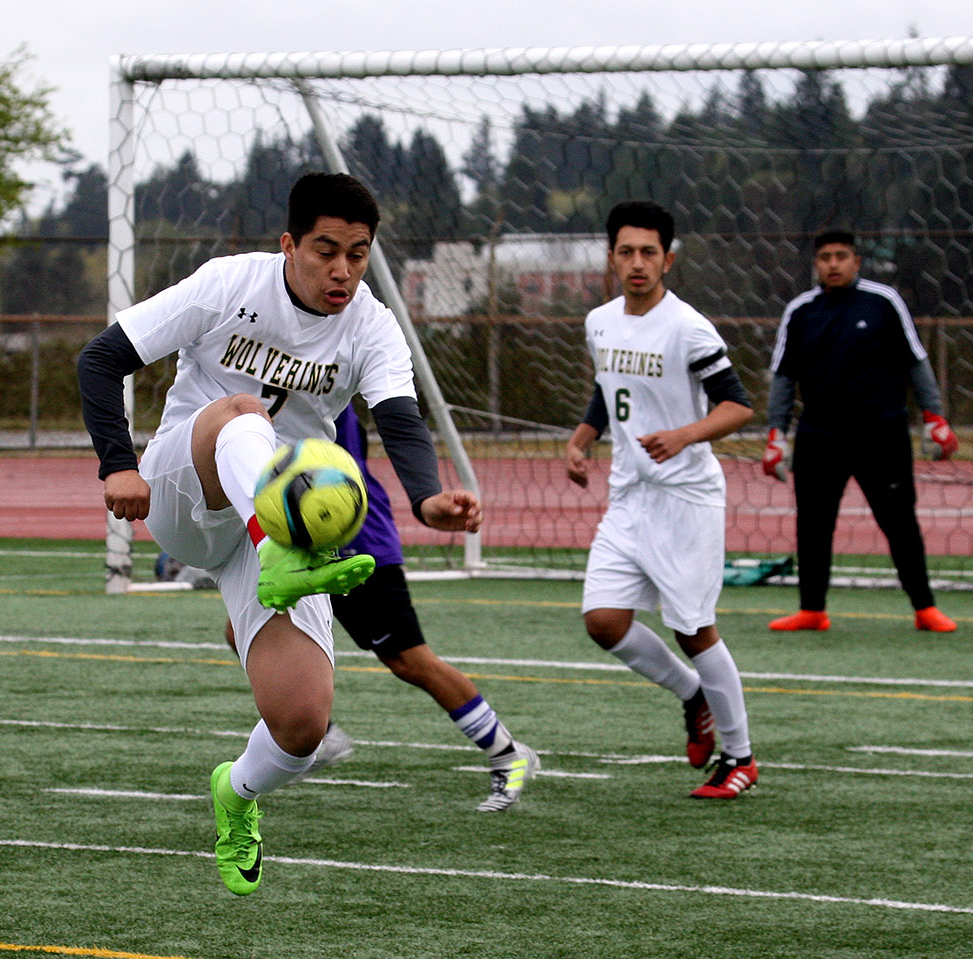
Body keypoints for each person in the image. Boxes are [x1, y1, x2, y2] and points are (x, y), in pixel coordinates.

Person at [78, 172, 482, 896]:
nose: (343, 271)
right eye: (326, 251)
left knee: (301, 721)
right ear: (288, 244)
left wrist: (428, 499)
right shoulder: (227, 283)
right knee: (239, 412)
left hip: (275, 531)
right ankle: (281, 556)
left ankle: (236, 792)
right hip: (188, 486)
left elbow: (399, 419)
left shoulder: (372, 323)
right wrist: (117, 464)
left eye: (358, 255)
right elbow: (101, 359)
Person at [564, 201, 760, 800]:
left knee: (695, 630)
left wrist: (683, 435)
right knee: (603, 621)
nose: (637, 262)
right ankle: (692, 694)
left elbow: (738, 404)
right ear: (611, 258)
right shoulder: (600, 321)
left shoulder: (688, 328)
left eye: (649, 252)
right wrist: (583, 436)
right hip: (629, 494)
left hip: (686, 499)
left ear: (668, 259)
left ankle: (741, 758)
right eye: (626, 251)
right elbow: (608, 386)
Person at [300, 403, 540, 812]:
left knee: (409, 659)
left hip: (352, 536)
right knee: (246, 633)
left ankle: (507, 753)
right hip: (302, 537)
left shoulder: (319, 384)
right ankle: (319, 734)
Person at [762, 228, 959, 633]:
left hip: (881, 433)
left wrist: (934, 417)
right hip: (819, 434)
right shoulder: (800, 311)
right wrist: (775, 436)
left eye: (841, 256)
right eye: (825, 257)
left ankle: (925, 608)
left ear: (856, 261)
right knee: (813, 524)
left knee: (899, 521)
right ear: (815, 264)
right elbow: (783, 376)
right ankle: (812, 610)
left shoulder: (884, 302)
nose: (833, 264)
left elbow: (915, 360)